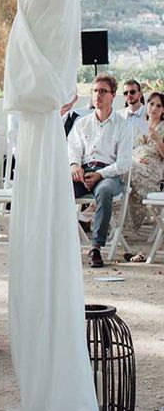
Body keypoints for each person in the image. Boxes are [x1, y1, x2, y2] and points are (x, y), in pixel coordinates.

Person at [67, 74, 134, 268]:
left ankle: (95, 248)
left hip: (109, 174)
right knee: (60, 188)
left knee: (104, 191)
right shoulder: (82, 123)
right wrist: (74, 165)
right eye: (95, 91)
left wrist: (100, 174)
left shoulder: (123, 126)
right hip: (84, 169)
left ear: (113, 95)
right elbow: (73, 149)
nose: (98, 95)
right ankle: (60, 243)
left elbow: (123, 164)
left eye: (103, 91)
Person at [124, 91, 164, 256]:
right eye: (151, 104)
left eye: (159, 105)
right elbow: (128, 150)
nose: (154, 108)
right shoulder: (138, 126)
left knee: (124, 170)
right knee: (124, 167)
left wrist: (157, 139)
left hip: (154, 173)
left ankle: (93, 206)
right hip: (136, 165)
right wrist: (135, 157)